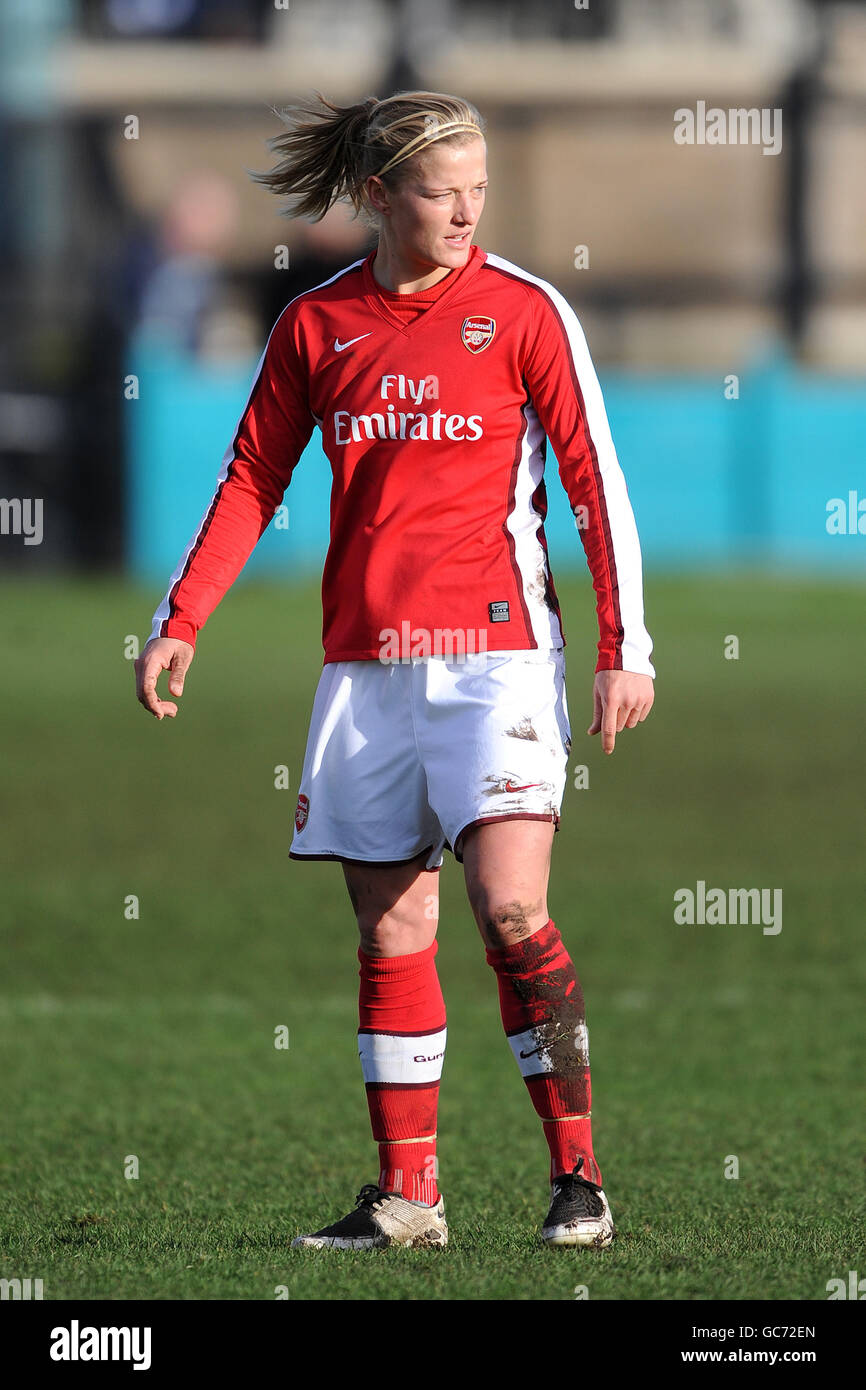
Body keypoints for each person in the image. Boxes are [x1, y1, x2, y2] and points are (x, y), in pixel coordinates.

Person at [134, 90, 655, 1252]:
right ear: (379, 194)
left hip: (498, 660)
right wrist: (182, 620)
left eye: (478, 187)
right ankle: (405, 1200)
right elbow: (249, 479)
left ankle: (579, 1180)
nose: (466, 208)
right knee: (390, 932)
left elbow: (593, 484)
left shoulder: (523, 312)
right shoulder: (315, 326)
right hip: (365, 673)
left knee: (511, 907)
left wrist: (626, 648)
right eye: (439, 190)